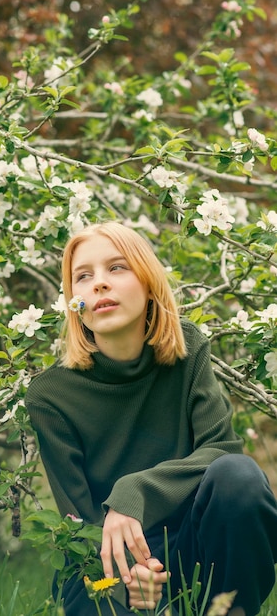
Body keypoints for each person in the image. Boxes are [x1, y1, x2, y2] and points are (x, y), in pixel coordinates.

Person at [25, 221, 277, 616]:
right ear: (74, 301)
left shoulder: (188, 348)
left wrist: (135, 490)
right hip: (109, 563)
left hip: (198, 548)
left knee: (239, 479)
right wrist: (130, 577)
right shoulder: (50, 396)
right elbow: (79, 524)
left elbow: (222, 449)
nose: (99, 284)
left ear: (148, 284)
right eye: (83, 276)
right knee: (90, 592)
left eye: (117, 268)